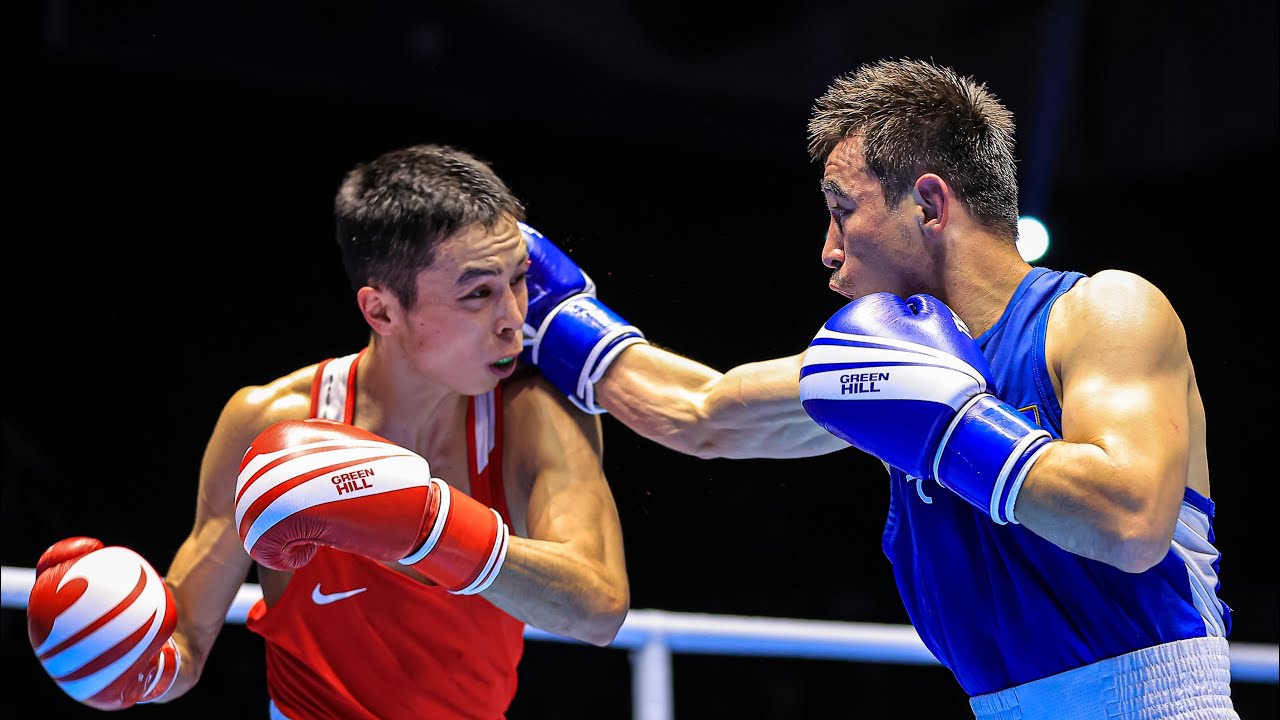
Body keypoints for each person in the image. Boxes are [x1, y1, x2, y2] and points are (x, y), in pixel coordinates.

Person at [517, 58, 1237, 718]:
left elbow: (1131, 521)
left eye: (842, 209)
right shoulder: (884, 372)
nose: (828, 251)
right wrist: (543, 311)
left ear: (928, 204)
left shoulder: (1102, 314)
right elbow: (702, 413)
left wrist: (952, 424)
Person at [26, 143, 631, 719]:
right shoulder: (272, 423)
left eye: (518, 281)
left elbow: (599, 608)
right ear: (382, 311)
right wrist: (125, 656)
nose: (515, 321)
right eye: (478, 293)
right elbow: (187, 638)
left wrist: (427, 523)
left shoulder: (533, 414)